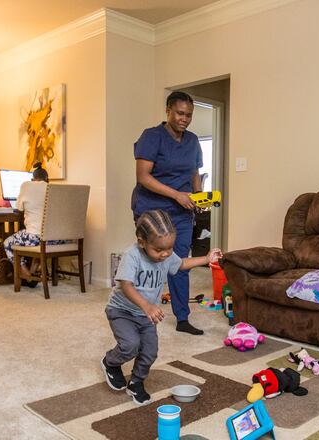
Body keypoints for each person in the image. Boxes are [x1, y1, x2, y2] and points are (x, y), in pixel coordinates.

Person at [101, 210, 222, 405]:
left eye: (169, 248)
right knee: (130, 345)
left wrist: (206, 259)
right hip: (122, 311)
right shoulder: (132, 256)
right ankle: (110, 362)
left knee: (150, 351)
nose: (165, 254)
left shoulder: (166, 255)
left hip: (146, 315)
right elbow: (126, 285)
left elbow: (181, 263)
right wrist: (147, 306)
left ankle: (136, 382)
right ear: (142, 242)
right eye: (159, 250)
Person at [132, 91, 205, 335]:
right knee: (148, 261)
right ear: (168, 110)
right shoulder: (152, 137)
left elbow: (194, 172)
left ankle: (182, 318)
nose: (185, 119)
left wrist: (198, 196)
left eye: (189, 115)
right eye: (180, 113)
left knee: (180, 262)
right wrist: (176, 195)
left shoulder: (192, 141)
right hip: (151, 209)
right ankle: (138, 311)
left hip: (181, 212)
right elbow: (143, 177)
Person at [3, 163, 65, 280]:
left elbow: (19, 208)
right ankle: (32, 273)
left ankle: (27, 275)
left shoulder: (26, 185)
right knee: (39, 242)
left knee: (8, 243)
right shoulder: (54, 189)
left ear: (32, 180)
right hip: (56, 239)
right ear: (47, 180)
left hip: (36, 239)